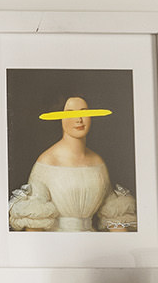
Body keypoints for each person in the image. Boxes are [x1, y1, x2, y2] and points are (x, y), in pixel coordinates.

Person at [22, 95, 113, 232]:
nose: (79, 119)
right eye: (71, 114)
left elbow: (113, 213)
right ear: (60, 118)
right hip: (56, 243)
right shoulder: (47, 161)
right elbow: (34, 226)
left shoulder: (97, 161)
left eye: (84, 112)